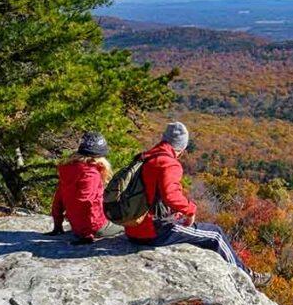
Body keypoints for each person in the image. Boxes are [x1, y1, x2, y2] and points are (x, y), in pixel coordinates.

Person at [125, 122, 272, 287]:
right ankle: (246, 276)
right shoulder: (168, 163)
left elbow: (153, 197)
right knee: (216, 235)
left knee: (203, 234)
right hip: (153, 232)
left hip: (133, 228)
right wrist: (190, 210)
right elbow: (170, 196)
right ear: (182, 147)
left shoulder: (145, 157)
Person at [48, 132, 123, 244]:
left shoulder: (69, 169)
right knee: (127, 224)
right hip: (95, 227)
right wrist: (87, 235)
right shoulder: (91, 173)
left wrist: (57, 226)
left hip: (77, 227)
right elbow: (86, 203)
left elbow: (58, 199)